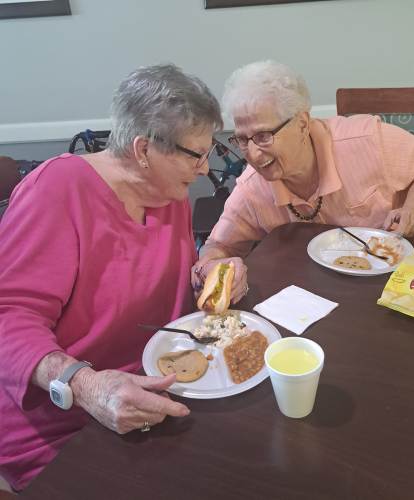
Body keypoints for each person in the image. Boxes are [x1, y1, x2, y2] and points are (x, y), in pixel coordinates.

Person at [0, 64, 245, 491]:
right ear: (143, 149)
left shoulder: (167, 190)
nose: (206, 170)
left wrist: (208, 272)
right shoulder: (56, 192)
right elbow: (8, 319)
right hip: (65, 418)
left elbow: (148, 280)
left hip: (157, 391)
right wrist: (85, 383)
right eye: (197, 155)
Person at [193, 60, 414, 277]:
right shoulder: (253, 188)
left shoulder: (364, 141)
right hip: (331, 289)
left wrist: (411, 211)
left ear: (302, 124)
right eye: (242, 139)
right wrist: (212, 269)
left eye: (263, 136)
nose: (253, 154)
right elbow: (218, 245)